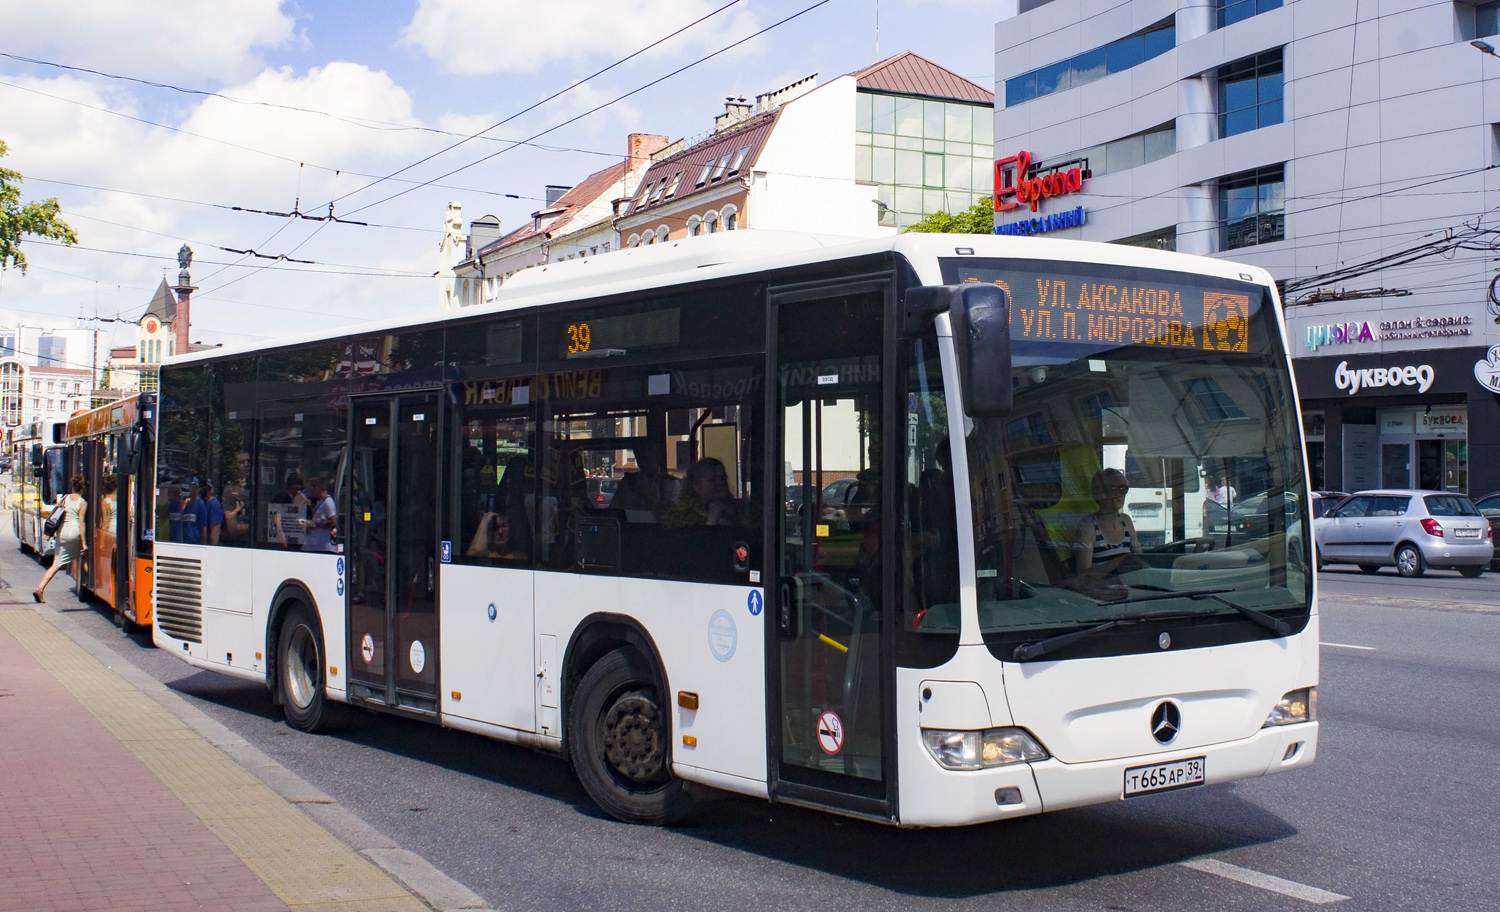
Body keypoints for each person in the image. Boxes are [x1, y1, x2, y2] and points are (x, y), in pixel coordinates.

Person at [1073, 468, 1141, 590]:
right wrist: (1119, 562)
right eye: (1112, 489)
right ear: (1098, 494)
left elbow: (1139, 558)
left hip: (1130, 592)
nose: (1118, 494)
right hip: (1102, 597)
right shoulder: (1088, 526)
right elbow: (1083, 575)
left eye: (1123, 489)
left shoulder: (1126, 521)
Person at [34, 475, 87, 603]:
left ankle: (40, 588)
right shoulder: (82, 503)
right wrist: (84, 543)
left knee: (56, 564)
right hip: (74, 533)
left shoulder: (65, 499)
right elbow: (81, 523)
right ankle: (87, 584)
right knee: (85, 556)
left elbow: (57, 516)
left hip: (62, 533)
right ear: (83, 487)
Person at [666, 458, 739, 527]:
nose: (720, 483)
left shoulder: (743, 508)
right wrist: (712, 521)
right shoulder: (680, 515)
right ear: (696, 485)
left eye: (722, 478)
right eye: (712, 480)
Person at [301, 476, 338, 552]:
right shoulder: (321, 502)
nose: (308, 492)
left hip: (323, 547)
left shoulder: (328, 502)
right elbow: (324, 517)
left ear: (316, 488)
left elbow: (333, 521)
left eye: (309, 489)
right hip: (315, 546)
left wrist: (312, 524)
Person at [202, 480, 225, 545]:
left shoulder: (214, 504)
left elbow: (215, 531)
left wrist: (212, 549)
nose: (207, 491)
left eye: (209, 488)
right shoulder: (202, 502)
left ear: (212, 490)